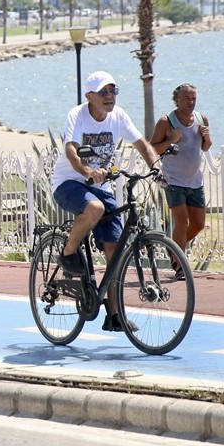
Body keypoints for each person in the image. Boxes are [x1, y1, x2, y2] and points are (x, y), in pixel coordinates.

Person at [49, 71, 163, 332]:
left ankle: (114, 315)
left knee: (115, 248)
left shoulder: (118, 116)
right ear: (90, 96)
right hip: (69, 183)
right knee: (95, 208)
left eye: (113, 91)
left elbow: (141, 143)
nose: (109, 96)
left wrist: (157, 167)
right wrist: (86, 171)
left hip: (102, 185)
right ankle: (68, 252)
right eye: (103, 92)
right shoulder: (77, 115)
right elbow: (71, 149)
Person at [149, 83, 212, 254]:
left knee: (198, 224)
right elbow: (152, 149)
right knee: (182, 222)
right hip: (173, 180)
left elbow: (205, 147)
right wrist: (172, 140)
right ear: (176, 100)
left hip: (194, 180)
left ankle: (174, 247)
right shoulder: (167, 122)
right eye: (186, 98)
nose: (191, 102)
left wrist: (206, 138)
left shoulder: (201, 119)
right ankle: (178, 263)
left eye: (193, 98)